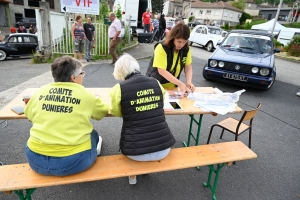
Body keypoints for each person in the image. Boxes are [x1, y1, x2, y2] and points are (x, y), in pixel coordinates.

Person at [24, 56, 109, 176]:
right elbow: (101, 113)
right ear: (73, 78)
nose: (82, 76)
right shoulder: (86, 95)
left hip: (35, 160)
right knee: (93, 134)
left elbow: (29, 115)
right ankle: (92, 151)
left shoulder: (39, 92)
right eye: (81, 73)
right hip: (72, 162)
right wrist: (96, 100)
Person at [110, 53, 175, 184]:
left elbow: (116, 112)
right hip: (164, 149)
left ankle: (133, 177)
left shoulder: (119, 88)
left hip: (134, 152)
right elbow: (160, 104)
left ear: (119, 71)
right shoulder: (156, 82)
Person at [146, 22, 195, 94]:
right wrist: (180, 84)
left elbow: (188, 68)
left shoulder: (186, 49)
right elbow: (161, 70)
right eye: (179, 41)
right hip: (155, 85)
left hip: (173, 87)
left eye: (184, 42)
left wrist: (188, 82)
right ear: (173, 38)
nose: (181, 45)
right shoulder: (162, 47)